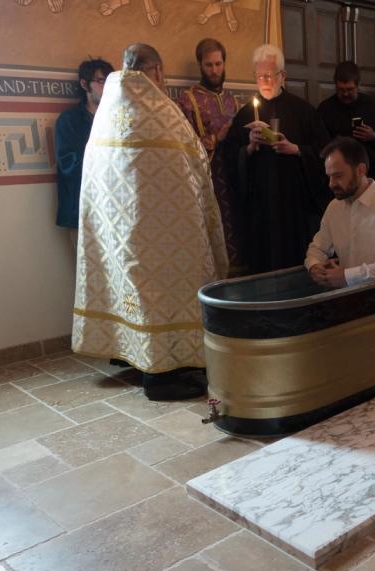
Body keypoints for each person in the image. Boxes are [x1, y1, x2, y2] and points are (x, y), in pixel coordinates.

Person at [72, 43, 229, 400]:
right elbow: (194, 164)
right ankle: (162, 376)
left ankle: (131, 353)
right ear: (157, 72)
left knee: (130, 290)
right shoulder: (160, 112)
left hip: (117, 234)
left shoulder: (107, 112)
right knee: (164, 294)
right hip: (161, 238)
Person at [224, 44, 330, 274]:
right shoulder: (244, 115)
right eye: (259, 76)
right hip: (259, 207)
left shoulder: (304, 111)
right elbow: (229, 159)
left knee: (294, 259)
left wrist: (296, 149)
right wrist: (249, 148)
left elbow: (325, 152)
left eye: (269, 76)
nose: (264, 81)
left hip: (294, 204)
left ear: (282, 76)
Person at [305, 137, 375, 288]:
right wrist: (314, 266)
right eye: (329, 176)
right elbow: (318, 248)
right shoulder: (334, 207)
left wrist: (347, 276)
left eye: (338, 176)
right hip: (347, 299)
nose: (331, 184)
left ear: (360, 170)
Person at [176, 39, 241, 270]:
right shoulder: (188, 99)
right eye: (209, 65)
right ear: (200, 66)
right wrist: (215, 138)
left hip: (234, 178)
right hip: (208, 179)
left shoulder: (233, 100)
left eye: (218, 64)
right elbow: (184, 145)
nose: (214, 70)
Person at [54, 58, 114, 242]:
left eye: (110, 82)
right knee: (84, 270)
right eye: (101, 81)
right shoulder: (69, 120)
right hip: (81, 210)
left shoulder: (116, 119)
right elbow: (69, 165)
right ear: (84, 84)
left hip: (113, 209)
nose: (107, 87)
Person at [317, 61, 375, 185]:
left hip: (369, 174)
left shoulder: (372, 106)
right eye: (341, 90)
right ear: (335, 85)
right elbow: (318, 144)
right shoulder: (325, 109)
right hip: (337, 175)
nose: (345, 94)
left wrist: (374, 136)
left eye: (350, 89)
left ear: (358, 85)